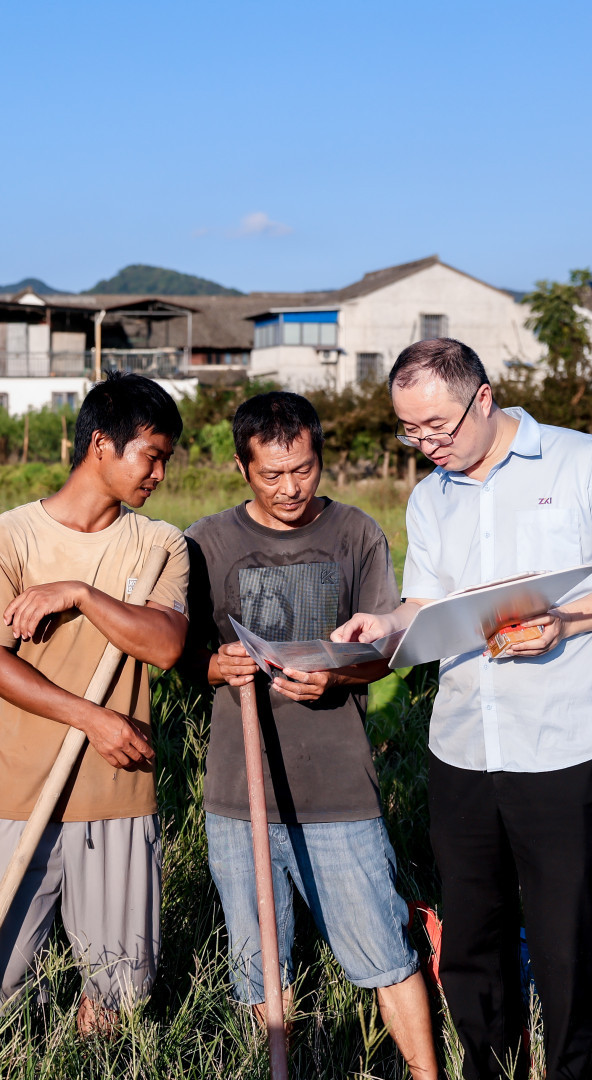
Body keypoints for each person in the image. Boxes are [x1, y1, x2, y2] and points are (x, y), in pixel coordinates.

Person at [334, 339, 592, 1080]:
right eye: (410, 432)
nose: (427, 446)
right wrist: (386, 624)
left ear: (483, 398)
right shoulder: (430, 496)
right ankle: (488, 1068)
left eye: (438, 428)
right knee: (475, 941)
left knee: (566, 942)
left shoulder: (584, 462)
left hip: (566, 744)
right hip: (463, 745)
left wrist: (569, 622)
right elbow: (425, 600)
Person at [182, 391, 438, 1079]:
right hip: (241, 792)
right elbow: (182, 655)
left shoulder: (356, 534)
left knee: (385, 952)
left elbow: (388, 648)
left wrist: (338, 679)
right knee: (259, 970)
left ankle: (425, 1073)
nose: (291, 487)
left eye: (304, 469)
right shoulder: (208, 543)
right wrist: (214, 664)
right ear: (242, 469)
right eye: (272, 474)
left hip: (337, 788)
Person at [0, 373, 191, 1039]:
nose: (159, 474)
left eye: (166, 458)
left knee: (115, 996)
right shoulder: (8, 538)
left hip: (118, 794)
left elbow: (166, 644)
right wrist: (92, 718)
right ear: (101, 448)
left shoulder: (159, 544)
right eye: (152, 455)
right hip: (21, 792)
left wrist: (82, 593)